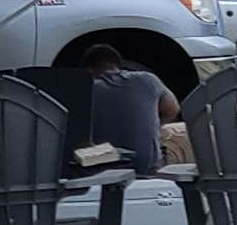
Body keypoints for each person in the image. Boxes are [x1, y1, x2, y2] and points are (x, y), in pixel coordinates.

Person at [73, 38, 184, 170]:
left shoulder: (85, 92)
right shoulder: (148, 79)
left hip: (103, 172)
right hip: (148, 169)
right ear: (118, 65)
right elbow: (173, 109)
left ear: (89, 71)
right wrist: (153, 127)